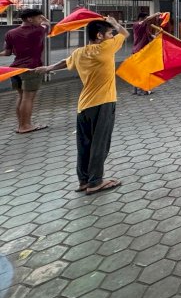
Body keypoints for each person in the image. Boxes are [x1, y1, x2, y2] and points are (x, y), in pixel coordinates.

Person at [37, 17, 129, 195]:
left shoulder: (80, 52)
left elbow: (66, 61)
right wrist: (115, 23)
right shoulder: (106, 48)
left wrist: (47, 68)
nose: (112, 36)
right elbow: (125, 33)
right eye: (110, 33)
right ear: (100, 36)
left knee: (84, 144)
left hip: (84, 106)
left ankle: (84, 181)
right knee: (100, 144)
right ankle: (95, 182)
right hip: (103, 103)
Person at [2, 8, 49, 134]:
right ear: (30, 19)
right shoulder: (38, 30)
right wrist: (44, 20)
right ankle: (25, 126)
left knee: (21, 96)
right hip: (31, 68)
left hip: (15, 69)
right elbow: (47, 24)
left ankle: (21, 125)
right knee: (28, 98)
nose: (41, 20)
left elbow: (7, 52)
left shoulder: (10, 33)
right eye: (39, 18)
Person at [131, 12, 165, 95]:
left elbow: (151, 36)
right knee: (141, 71)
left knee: (141, 70)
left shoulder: (144, 27)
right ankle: (140, 91)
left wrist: (157, 34)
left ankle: (139, 90)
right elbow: (146, 20)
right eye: (146, 18)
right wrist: (155, 14)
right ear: (141, 18)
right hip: (139, 51)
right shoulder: (137, 25)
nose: (148, 21)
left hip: (144, 51)